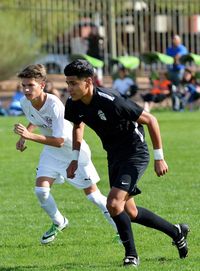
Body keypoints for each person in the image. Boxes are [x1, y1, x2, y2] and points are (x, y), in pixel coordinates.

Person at [64, 59, 190, 267]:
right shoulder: (73, 103)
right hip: (114, 156)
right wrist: (74, 159)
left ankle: (131, 255)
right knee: (129, 212)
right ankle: (176, 232)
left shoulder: (111, 100)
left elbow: (151, 120)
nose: (69, 88)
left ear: (88, 81)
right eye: (67, 83)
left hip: (135, 153)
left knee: (113, 204)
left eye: (73, 83)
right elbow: (77, 127)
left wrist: (159, 157)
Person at [13, 64, 117, 245]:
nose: (27, 89)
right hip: (51, 153)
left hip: (73, 152)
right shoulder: (25, 102)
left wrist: (30, 135)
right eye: (24, 86)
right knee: (41, 191)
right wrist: (25, 138)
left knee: (93, 196)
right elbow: (34, 119)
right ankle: (59, 222)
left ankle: (119, 228)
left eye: (31, 85)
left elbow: (60, 140)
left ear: (42, 85)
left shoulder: (55, 104)